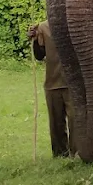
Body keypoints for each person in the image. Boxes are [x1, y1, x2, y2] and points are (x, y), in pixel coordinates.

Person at [28, 20, 73, 157]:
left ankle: (78, 153)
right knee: (56, 123)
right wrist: (35, 40)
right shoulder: (44, 27)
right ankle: (60, 155)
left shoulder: (75, 24)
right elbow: (40, 56)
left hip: (73, 83)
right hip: (52, 81)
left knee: (76, 121)